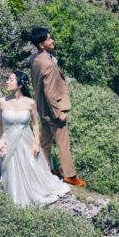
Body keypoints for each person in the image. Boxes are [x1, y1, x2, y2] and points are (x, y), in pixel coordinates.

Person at [0, 71, 71, 206]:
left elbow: (35, 124)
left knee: (31, 167)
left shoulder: (30, 103)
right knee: (10, 169)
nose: (7, 82)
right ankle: (13, 197)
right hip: (8, 141)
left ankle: (33, 191)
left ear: (19, 84)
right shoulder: (1, 102)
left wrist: (36, 143)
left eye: (11, 80)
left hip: (25, 140)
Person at [27, 27, 86, 187]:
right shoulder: (48, 64)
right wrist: (58, 113)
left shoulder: (34, 59)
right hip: (53, 111)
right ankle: (70, 176)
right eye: (49, 39)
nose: (52, 41)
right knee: (63, 144)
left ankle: (46, 169)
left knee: (45, 143)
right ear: (41, 44)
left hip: (42, 109)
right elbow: (49, 92)